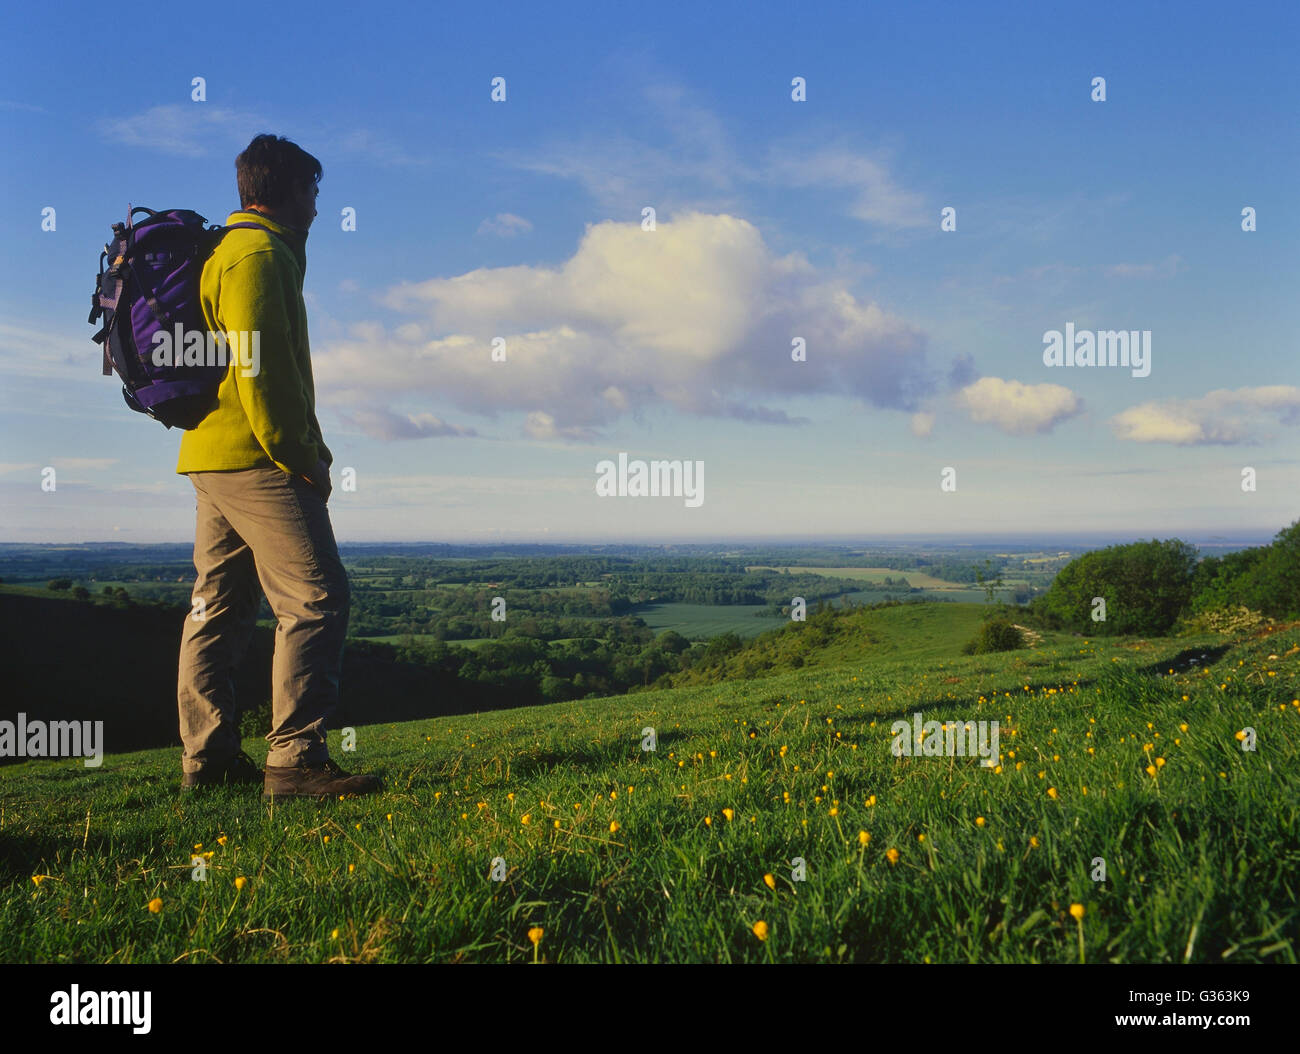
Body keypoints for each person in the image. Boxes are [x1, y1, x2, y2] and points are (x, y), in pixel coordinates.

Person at [175, 134, 380, 801]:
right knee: (317, 598)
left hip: (213, 453)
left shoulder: (230, 251)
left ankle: (208, 761)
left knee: (217, 609)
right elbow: (262, 371)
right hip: (257, 455)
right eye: (314, 192)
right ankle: (295, 761)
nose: (319, 209)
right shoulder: (259, 255)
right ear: (287, 190)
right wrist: (303, 457)